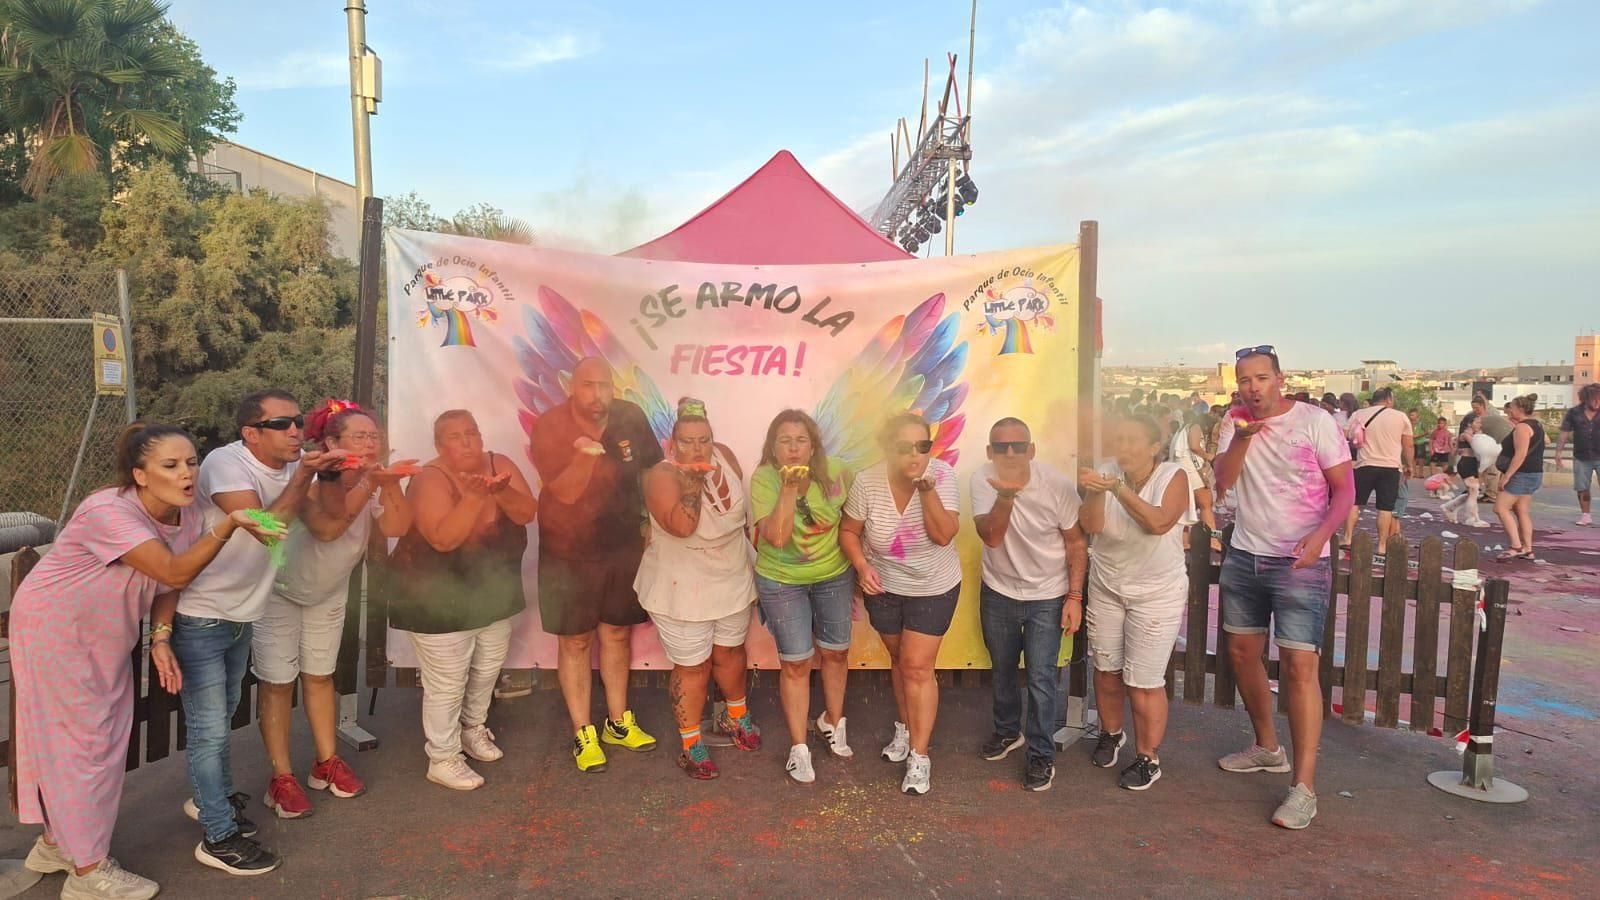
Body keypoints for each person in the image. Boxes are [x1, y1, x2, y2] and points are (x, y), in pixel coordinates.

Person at [12, 424, 281, 899]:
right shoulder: (109, 512)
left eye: (192, 462)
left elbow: (175, 580)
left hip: (105, 633)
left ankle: (58, 844)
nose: (187, 473)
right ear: (139, 474)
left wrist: (160, 636)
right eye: (171, 465)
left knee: (99, 739)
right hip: (57, 628)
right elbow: (172, 567)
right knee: (85, 746)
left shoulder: (190, 512)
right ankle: (88, 873)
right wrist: (230, 524)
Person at [174, 389, 342, 875]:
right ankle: (218, 837)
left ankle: (215, 802)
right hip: (204, 613)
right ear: (251, 433)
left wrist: (346, 471)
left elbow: (326, 523)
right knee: (208, 733)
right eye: (283, 424)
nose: (297, 431)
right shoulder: (225, 465)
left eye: (299, 422)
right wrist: (309, 472)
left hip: (241, 612)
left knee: (220, 723)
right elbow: (267, 523)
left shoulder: (292, 465)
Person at [1212, 346, 1354, 830]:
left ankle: (1304, 787)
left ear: (1280, 379)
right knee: (1240, 654)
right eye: (1245, 380)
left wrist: (1320, 539)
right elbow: (1222, 483)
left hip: (1300, 562)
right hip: (1246, 555)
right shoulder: (1233, 423)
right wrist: (1243, 440)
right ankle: (1267, 747)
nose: (1254, 388)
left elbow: (1345, 490)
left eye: (1262, 378)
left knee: (1298, 667)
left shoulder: (1316, 422)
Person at [252, 400, 415, 815]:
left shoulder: (372, 478)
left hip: (328, 592)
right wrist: (370, 484)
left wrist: (390, 484)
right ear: (331, 442)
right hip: (280, 590)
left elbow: (396, 527)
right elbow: (328, 526)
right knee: (277, 683)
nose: (370, 443)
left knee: (321, 676)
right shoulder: (306, 476)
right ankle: (281, 777)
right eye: (359, 436)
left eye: (374, 436)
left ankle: (326, 763)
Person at [528, 357, 664, 772]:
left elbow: (652, 472)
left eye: (604, 385)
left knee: (617, 634)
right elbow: (565, 493)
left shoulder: (630, 417)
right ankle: (582, 730)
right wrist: (586, 456)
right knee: (575, 642)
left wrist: (652, 521)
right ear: (573, 387)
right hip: (567, 551)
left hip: (622, 546)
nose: (598, 395)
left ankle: (618, 722)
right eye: (589, 385)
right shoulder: (549, 426)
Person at [390, 410, 536, 790]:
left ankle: (473, 729)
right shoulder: (428, 479)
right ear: (440, 445)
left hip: (490, 591)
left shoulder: (498, 464)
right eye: (456, 436)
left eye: (472, 432)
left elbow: (526, 514)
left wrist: (500, 489)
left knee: (487, 668)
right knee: (447, 682)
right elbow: (443, 539)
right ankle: (442, 757)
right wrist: (473, 496)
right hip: (435, 597)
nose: (468, 442)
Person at [637, 399, 759, 779]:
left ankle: (736, 716)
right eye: (687, 442)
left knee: (731, 652)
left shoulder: (724, 455)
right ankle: (691, 744)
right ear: (672, 442)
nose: (697, 449)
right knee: (693, 666)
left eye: (703, 440)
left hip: (731, 576)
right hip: (681, 586)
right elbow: (683, 526)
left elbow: (740, 514)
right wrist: (692, 481)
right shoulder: (660, 475)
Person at [840, 413, 962, 796]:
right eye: (904, 447)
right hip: (885, 587)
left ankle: (919, 757)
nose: (915, 454)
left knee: (916, 666)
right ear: (888, 449)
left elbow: (944, 535)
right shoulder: (867, 480)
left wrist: (926, 491)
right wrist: (861, 565)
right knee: (900, 661)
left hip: (934, 586)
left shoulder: (941, 477)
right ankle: (906, 730)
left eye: (922, 446)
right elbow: (849, 531)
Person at [1079, 416, 1195, 792]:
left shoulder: (1172, 476)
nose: (1124, 448)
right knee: (1107, 668)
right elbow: (1091, 525)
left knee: (1144, 682)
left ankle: (1148, 756)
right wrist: (1098, 491)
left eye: (1133, 441)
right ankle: (1112, 733)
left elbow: (1158, 523)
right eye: (1119, 439)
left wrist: (1116, 489)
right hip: (1108, 584)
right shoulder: (1107, 472)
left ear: (1153, 447)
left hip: (1156, 592)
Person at [971, 417, 1087, 792]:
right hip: (999, 590)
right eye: (1000, 446)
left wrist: (1074, 596)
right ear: (989, 451)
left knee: (1041, 678)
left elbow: (1075, 543)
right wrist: (1005, 497)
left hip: (1047, 595)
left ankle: (1041, 755)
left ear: (1031, 450)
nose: (1009, 453)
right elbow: (990, 537)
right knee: (1003, 669)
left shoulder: (1056, 485)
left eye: (1017, 446)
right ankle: (1007, 733)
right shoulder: (981, 480)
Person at [750, 409, 857, 784]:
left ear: (813, 447)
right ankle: (799, 748)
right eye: (784, 441)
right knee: (796, 663)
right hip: (782, 580)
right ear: (773, 448)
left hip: (833, 575)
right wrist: (790, 488)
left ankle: (832, 721)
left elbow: (863, 512)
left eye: (801, 440)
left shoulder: (839, 472)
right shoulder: (764, 479)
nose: (793, 449)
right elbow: (776, 538)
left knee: (837, 652)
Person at [1340, 388, 1412, 561]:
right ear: (1388, 399)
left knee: (1355, 503)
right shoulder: (1400, 416)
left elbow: (1343, 436)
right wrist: (1410, 465)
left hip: (1364, 464)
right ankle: (1381, 545)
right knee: (1385, 508)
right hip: (1390, 468)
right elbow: (1408, 445)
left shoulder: (1359, 414)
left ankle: (1348, 537)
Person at [1492, 394, 1545, 561]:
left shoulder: (1522, 428)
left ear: (1520, 409)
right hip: (1534, 472)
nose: (1509, 410)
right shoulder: (1536, 424)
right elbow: (1546, 440)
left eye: (1512, 407)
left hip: (1521, 473)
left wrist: (1507, 476)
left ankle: (1515, 545)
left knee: (1500, 508)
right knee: (1521, 510)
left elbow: (1520, 454)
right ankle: (1528, 548)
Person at [1553, 382, 1600, 526]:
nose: (1597, 402)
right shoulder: (1574, 412)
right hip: (1581, 456)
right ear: (1585, 399)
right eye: (1594, 399)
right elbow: (1564, 433)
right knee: (1582, 487)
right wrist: (1558, 452)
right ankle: (1585, 515)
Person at [1169, 413, 1218, 536]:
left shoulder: (1181, 430)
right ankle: (1212, 539)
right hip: (1192, 471)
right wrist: (1208, 456)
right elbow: (1194, 446)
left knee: (1185, 510)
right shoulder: (1195, 427)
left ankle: (1184, 540)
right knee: (1206, 504)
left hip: (1181, 471)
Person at [1442, 417, 1489, 528]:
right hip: (1466, 463)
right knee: (1474, 490)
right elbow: (1477, 445)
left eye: (1480, 422)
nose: (1479, 424)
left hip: (1472, 463)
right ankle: (1473, 518)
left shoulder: (1472, 435)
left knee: (1472, 491)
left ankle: (1450, 507)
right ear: (1469, 423)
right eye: (1477, 422)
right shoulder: (1465, 435)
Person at [1477, 399, 1513, 501]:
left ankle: (1491, 494)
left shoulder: (1485, 421)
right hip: (1504, 448)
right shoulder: (1504, 421)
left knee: (1493, 471)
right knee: (1497, 472)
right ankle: (1496, 493)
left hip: (1498, 448)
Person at [1427, 416, 1454, 481]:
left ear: (1445, 424)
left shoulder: (1448, 433)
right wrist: (1431, 449)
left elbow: (1450, 442)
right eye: (1439, 423)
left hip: (1445, 450)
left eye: (1442, 423)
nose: (1440, 425)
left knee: (1445, 463)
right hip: (1436, 450)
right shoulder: (1435, 432)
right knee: (1433, 463)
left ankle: (1444, 477)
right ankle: (1433, 477)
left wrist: (1452, 450)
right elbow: (1431, 440)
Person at [1407, 409, 1427, 478]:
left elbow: (1427, 432)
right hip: (1412, 442)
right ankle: (1414, 473)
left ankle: (1420, 473)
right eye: (1410, 415)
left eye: (1413, 415)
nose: (1411, 416)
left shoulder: (1421, 423)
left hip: (1420, 442)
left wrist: (1418, 435)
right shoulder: (1408, 423)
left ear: (1417, 416)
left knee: (1421, 458)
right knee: (1413, 458)